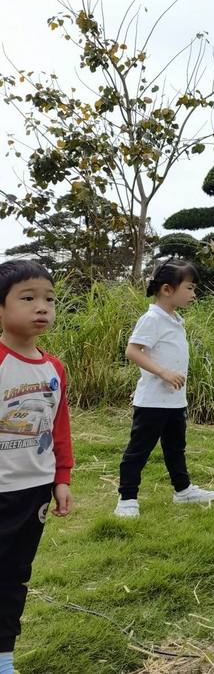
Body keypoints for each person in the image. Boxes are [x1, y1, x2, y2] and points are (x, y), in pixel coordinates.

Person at [0, 260, 74, 673]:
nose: (41, 307)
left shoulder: (54, 368)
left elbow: (59, 427)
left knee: (14, 576)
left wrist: (61, 477)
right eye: (27, 298)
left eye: (49, 299)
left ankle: (4, 657)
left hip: (34, 490)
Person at [114, 261, 214, 518]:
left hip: (174, 400)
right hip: (152, 401)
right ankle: (126, 497)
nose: (194, 294)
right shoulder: (152, 319)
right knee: (139, 450)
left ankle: (182, 491)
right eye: (190, 288)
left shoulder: (174, 319)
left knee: (175, 448)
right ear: (167, 289)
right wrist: (162, 372)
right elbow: (132, 351)